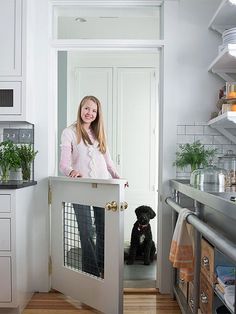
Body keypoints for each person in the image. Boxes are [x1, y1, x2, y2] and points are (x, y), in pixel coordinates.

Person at [59, 95, 120, 277]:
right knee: (85, 231)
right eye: (87, 108)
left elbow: (109, 164)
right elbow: (63, 164)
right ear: (80, 109)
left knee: (103, 229)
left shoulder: (99, 134)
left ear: (97, 114)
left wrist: (119, 179)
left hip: (103, 187)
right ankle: (91, 274)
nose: (90, 113)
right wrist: (72, 172)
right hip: (81, 188)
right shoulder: (69, 132)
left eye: (94, 110)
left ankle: (103, 269)